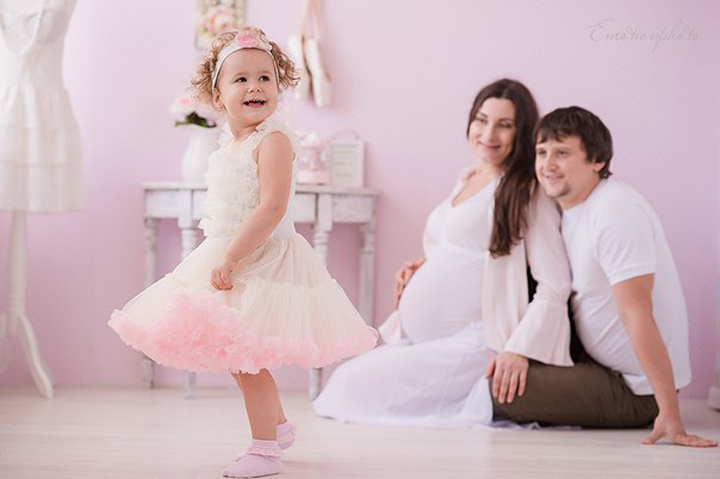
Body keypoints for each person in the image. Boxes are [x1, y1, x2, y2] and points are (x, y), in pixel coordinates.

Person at [108, 27, 378, 478]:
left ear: (278, 86)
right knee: (239, 357)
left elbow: (272, 207)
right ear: (218, 96)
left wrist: (231, 256)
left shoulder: (273, 140)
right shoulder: (230, 143)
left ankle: (265, 450)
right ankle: (279, 426)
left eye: (265, 78)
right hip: (231, 253)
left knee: (247, 358)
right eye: (241, 79)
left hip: (263, 257)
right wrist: (226, 254)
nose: (255, 86)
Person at [313, 79, 573, 428]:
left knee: (348, 387)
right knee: (345, 382)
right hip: (429, 337)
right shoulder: (468, 176)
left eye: (504, 125)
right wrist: (421, 267)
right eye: (482, 120)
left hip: (478, 341)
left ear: (521, 131)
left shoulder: (527, 191)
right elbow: (459, 248)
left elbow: (555, 283)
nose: (488, 133)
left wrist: (519, 349)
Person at [493, 106, 717, 448]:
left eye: (562, 153)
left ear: (597, 160)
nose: (547, 164)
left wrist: (669, 412)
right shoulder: (573, 207)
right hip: (599, 364)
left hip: (634, 388)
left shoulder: (614, 210)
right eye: (542, 152)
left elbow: (637, 314)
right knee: (497, 359)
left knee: (499, 390)